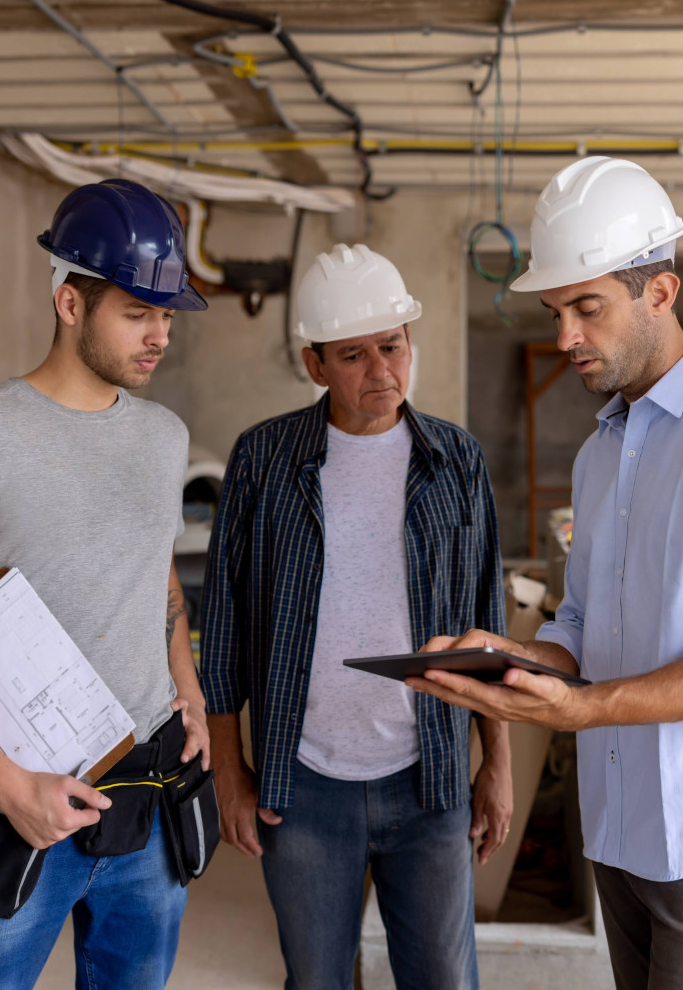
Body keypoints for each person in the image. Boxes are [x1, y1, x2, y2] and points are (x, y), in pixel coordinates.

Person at [410, 157, 683, 990]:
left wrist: (579, 709)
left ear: (660, 293)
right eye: (556, 310)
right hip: (625, 828)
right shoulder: (602, 451)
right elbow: (582, 624)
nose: (565, 334)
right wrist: (515, 660)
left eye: (588, 307)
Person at [0, 178, 211, 989]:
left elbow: (152, 564)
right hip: (12, 806)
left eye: (166, 314)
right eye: (137, 312)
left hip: (147, 801)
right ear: (69, 302)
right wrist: (7, 785)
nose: (158, 334)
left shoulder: (164, 436)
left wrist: (187, 689)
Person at [199, 243, 512, 990]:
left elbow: (485, 624)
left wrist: (495, 764)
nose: (381, 371)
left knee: (443, 979)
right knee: (316, 981)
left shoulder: (456, 461)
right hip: (303, 785)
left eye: (392, 346)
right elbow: (225, 624)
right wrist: (230, 773)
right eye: (352, 354)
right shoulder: (264, 459)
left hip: (429, 776)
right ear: (315, 365)